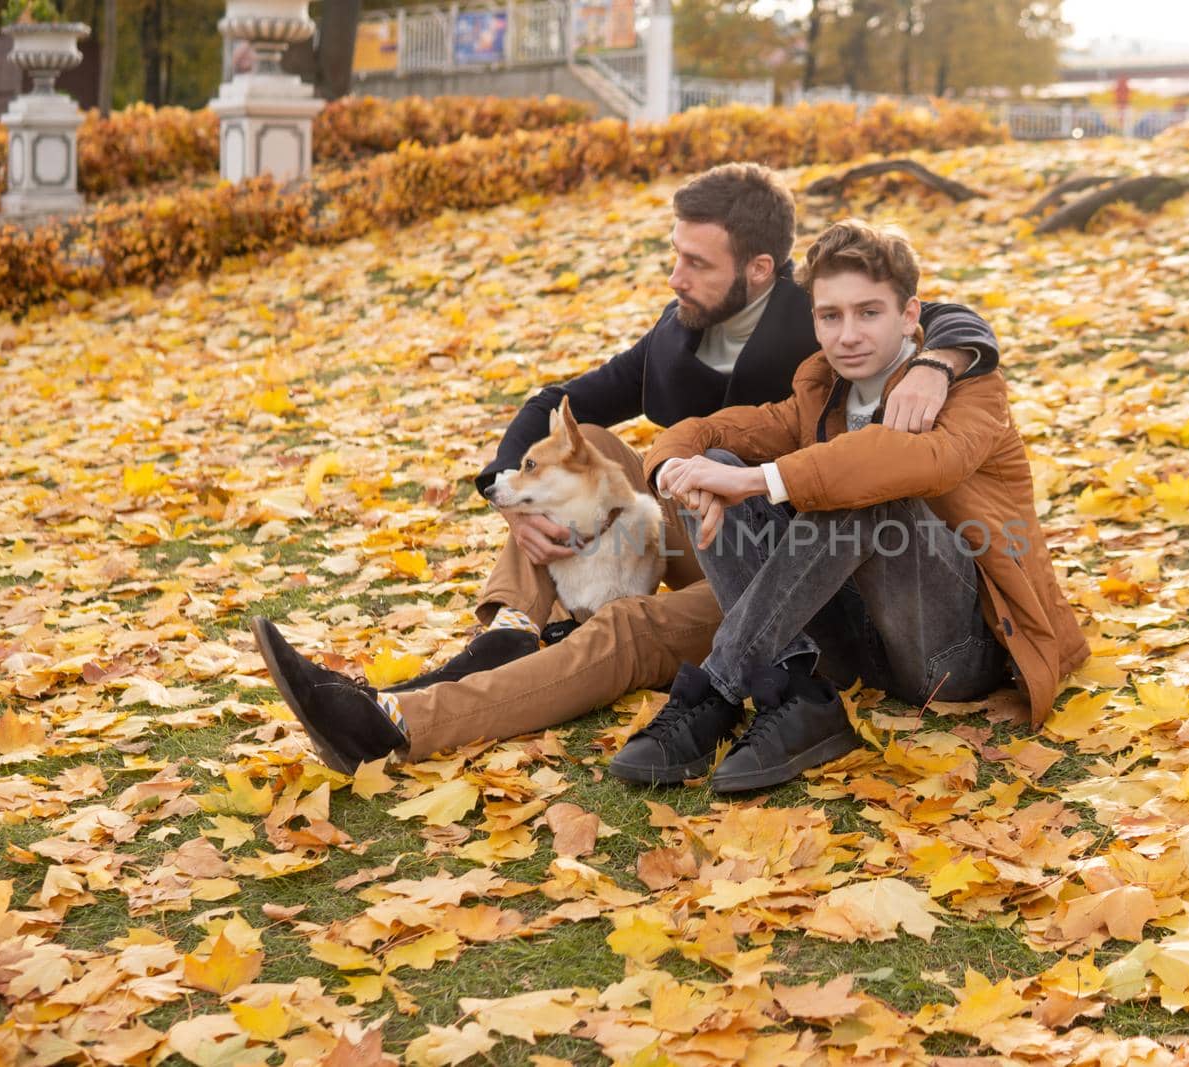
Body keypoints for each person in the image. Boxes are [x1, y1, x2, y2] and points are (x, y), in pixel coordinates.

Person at [250, 163, 1001, 774]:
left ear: (762, 270)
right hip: (725, 528)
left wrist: (942, 356)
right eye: (675, 255)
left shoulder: (829, 309)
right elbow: (562, 401)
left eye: (696, 263)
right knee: (590, 451)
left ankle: (397, 722)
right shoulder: (692, 334)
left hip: (807, 568)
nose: (675, 277)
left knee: (630, 628)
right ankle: (513, 623)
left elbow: (936, 312)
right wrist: (511, 494)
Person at [609, 219, 1090, 792]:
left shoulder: (972, 389)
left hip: (953, 654)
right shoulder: (821, 390)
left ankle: (719, 687)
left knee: (865, 490)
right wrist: (674, 473)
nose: (848, 335)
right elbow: (703, 431)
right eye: (830, 316)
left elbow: (924, 462)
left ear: (910, 315)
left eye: (869, 313)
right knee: (715, 471)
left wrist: (764, 480)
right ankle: (798, 690)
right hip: (852, 647)